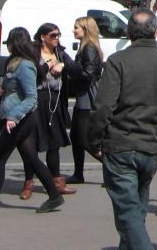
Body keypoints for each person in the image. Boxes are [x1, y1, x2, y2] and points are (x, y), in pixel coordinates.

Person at [89, 9, 157, 250]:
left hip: (121, 145)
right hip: (151, 147)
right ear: (156, 31)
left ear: (129, 32)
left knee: (129, 212)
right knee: (136, 208)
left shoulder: (117, 61)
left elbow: (103, 107)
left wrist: (94, 140)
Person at [0, 27, 65, 218]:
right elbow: (16, 88)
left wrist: (13, 117)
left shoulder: (25, 65)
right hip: (18, 118)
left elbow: (31, 97)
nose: (8, 47)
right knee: (31, 158)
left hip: (20, 119)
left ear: (15, 44)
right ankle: (54, 195)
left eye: (9, 43)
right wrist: (4, 90)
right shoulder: (16, 62)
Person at [21, 23, 76, 199]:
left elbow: (75, 68)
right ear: (42, 37)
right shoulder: (33, 53)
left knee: (54, 143)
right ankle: (28, 182)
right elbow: (30, 75)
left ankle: (57, 182)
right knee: (32, 144)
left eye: (58, 35)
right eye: (53, 35)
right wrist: (47, 66)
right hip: (37, 99)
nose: (56, 38)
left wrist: (63, 65)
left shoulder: (59, 52)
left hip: (54, 101)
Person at [66, 16, 104, 185]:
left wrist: (68, 66)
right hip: (83, 95)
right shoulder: (85, 46)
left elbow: (88, 74)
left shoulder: (89, 48)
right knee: (75, 136)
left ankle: (112, 168)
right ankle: (78, 174)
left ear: (86, 29)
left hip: (88, 96)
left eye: (77, 27)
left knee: (84, 139)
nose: (73, 30)